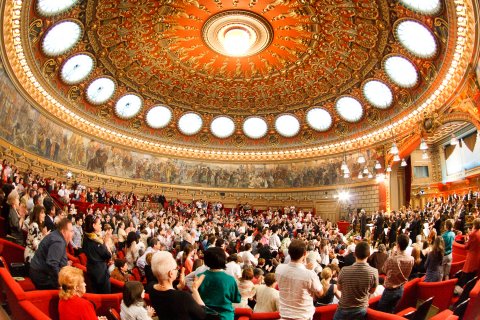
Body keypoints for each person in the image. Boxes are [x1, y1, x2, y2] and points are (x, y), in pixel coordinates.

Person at [150, 251, 206, 320]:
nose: (177, 270)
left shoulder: (152, 289)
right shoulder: (183, 297)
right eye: (176, 268)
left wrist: (177, 287)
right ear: (170, 273)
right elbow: (204, 315)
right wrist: (195, 290)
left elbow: (167, 297)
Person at [275, 239, 323, 320]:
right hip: (302, 316)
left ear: (289, 253)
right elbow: (320, 293)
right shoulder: (310, 274)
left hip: (284, 316)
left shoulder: (279, 269)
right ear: (305, 253)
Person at [333, 241, 378, 320]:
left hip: (344, 309)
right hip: (361, 310)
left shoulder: (344, 270)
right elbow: (372, 291)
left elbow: (339, 288)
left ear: (354, 254)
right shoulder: (374, 272)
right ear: (369, 255)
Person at [198, 247, 241, 320]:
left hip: (205, 315)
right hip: (225, 316)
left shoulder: (199, 277)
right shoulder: (230, 279)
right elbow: (237, 299)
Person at [29, 218, 73, 290]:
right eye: (71, 231)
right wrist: (61, 283)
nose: (72, 234)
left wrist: (64, 263)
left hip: (38, 271)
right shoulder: (59, 242)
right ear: (63, 231)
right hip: (42, 277)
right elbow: (52, 264)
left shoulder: (56, 235)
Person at [377, 234, 414, 313]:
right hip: (401, 288)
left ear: (397, 245)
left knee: (380, 309)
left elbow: (384, 269)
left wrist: (392, 255)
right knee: (391, 310)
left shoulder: (392, 259)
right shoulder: (411, 259)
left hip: (390, 290)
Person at [83, 215, 112, 294]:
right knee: (104, 295)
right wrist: (105, 242)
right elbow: (108, 255)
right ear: (94, 225)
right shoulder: (96, 241)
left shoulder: (86, 237)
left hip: (91, 268)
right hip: (100, 272)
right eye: (99, 224)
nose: (101, 225)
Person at [455, 218, 480, 295]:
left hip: (471, 258)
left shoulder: (473, 234)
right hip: (477, 257)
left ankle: (461, 293)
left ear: (474, 225)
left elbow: (466, 247)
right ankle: (467, 291)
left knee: (465, 276)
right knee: (472, 277)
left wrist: (467, 239)